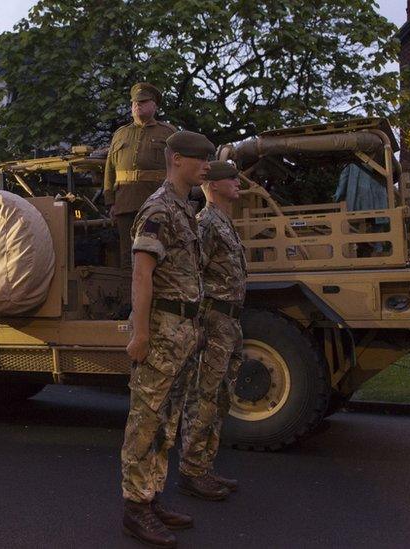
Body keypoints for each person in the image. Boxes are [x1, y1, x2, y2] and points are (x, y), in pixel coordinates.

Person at [120, 131, 214, 547]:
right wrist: (139, 334)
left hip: (182, 333)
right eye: (200, 158)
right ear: (176, 159)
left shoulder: (183, 209)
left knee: (168, 420)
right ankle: (135, 508)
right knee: (147, 419)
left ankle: (153, 496)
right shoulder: (158, 209)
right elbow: (142, 274)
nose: (207, 166)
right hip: (159, 332)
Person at [178, 161, 247, 501]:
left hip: (229, 323)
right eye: (232, 178)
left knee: (220, 399)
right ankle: (191, 471)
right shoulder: (206, 223)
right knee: (203, 396)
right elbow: (193, 276)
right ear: (214, 185)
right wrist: (199, 324)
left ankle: (204, 466)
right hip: (213, 321)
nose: (238, 183)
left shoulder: (224, 223)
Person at [103, 82, 177, 269]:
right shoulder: (120, 134)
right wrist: (110, 200)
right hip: (125, 203)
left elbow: (178, 167)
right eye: (135, 102)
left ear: (155, 106)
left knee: (155, 250)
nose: (138, 105)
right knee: (128, 255)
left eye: (143, 102)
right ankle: (131, 297)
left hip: (155, 203)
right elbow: (110, 168)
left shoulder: (168, 133)